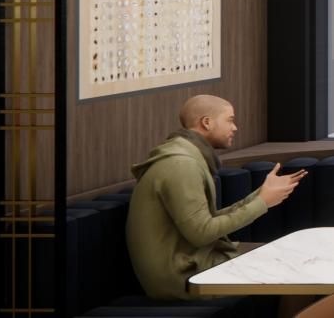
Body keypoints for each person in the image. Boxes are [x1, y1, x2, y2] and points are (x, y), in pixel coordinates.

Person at [127, 95, 306, 299]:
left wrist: (261, 194)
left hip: (190, 260)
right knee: (293, 266)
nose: (235, 127)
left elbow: (203, 224)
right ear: (207, 122)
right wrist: (262, 203)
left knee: (286, 256)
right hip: (181, 276)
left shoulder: (186, 157)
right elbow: (201, 233)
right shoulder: (181, 166)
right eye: (230, 120)